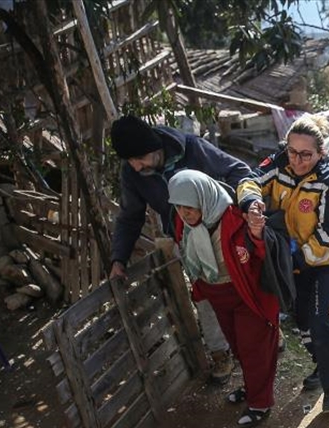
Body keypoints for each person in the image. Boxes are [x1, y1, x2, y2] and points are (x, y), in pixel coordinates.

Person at [109, 114, 257, 384]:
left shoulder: (191, 148)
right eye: (129, 160)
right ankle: (220, 353)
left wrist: (237, 211)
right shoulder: (133, 172)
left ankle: (265, 332)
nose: (135, 165)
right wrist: (119, 258)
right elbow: (131, 216)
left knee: (244, 282)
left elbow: (239, 171)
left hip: (223, 232)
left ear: (153, 148)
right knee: (205, 294)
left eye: (138, 158)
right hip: (186, 241)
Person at [239, 116, 329, 415]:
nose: (298, 160)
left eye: (306, 154)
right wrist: (251, 202)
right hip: (290, 265)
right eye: (292, 151)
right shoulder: (277, 164)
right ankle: (321, 364)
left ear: (321, 153)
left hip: (324, 264)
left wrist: (294, 260)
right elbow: (248, 179)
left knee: (319, 322)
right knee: (302, 323)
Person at [167, 170, 282, 428]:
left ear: (203, 199)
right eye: (179, 207)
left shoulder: (234, 217)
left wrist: (257, 234)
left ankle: (260, 404)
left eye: (190, 207)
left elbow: (262, 253)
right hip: (217, 294)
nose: (185, 213)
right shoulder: (183, 223)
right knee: (238, 346)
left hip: (246, 295)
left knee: (255, 350)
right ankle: (250, 388)